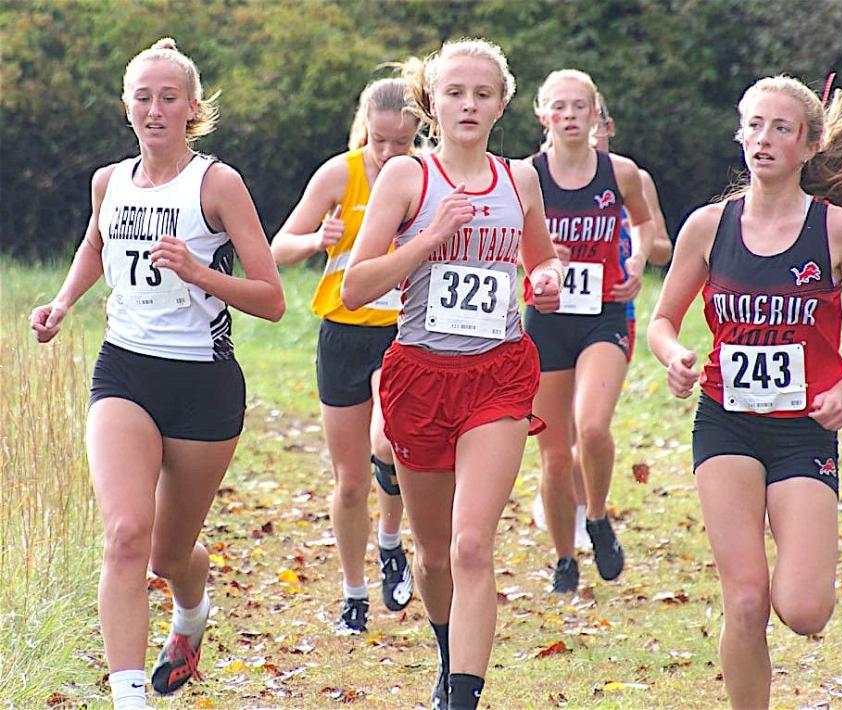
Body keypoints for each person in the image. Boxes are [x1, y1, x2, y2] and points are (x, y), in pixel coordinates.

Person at [646, 74, 842, 709]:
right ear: (740, 134)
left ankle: (806, 549)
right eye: (754, 126)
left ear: (806, 146)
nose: (763, 140)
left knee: (803, 610)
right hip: (726, 423)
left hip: (803, 432)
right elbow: (660, 321)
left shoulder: (836, 230)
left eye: (781, 129)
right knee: (743, 599)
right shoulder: (707, 227)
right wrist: (675, 356)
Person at [29, 38, 284, 709]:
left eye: (168, 97)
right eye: (142, 97)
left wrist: (200, 273)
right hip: (126, 373)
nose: (154, 109)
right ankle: (128, 695)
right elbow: (95, 241)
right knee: (124, 536)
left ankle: (191, 614)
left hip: (203, 383)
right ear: (126, 106)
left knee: (170, 558)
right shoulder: (108, 181)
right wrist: (62, 302)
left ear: (191, 107)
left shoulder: (216, 184)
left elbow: (272, 297)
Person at [340, 37, 562, 710]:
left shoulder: (520, 178)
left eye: (482, 93)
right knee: (435, 557)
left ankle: (463, 695)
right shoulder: (407, 178)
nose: (469, 104)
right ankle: (446, 654)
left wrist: (545, 281)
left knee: (471, 544)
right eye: (456, 92)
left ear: (502, 104)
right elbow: (355, 286)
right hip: (420, 376)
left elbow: (540, 260)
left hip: (497, 376)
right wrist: (431, 239)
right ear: (432, 102)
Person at [270, 77, 418, 634]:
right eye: (379, 140)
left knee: (390, 443)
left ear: (417, 135)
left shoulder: (424, 178)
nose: (386, 153)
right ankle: (354, 594)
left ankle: (390, 545)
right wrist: (318, 240)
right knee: (351, 480)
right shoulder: (340, 174)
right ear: (364, 128)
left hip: (402, 331)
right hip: (341, 334)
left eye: (400, 142)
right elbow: (278, 246)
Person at [523, 69, 654, 594]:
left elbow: (644, 225)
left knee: (592, 427)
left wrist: (639, 260)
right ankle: (563, 559)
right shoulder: (524, 174)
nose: (570, 116)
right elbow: (501, 236)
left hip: (603, 313)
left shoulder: (620, 173)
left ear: (597, 115)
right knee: (554, 456)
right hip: (547, 317)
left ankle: (597, 517)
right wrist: (537, 253)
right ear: (542, 115)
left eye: (580, 106)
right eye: (559, 106)